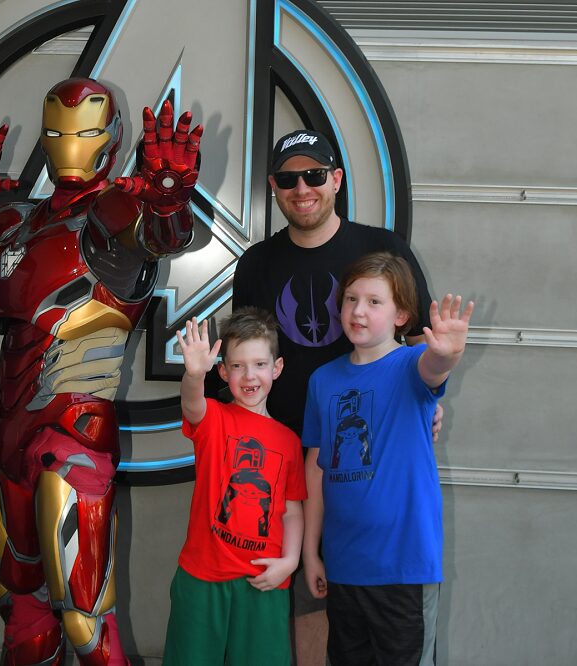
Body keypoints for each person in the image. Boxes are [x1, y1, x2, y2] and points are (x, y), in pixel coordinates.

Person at [0, 78, 202, 665]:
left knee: (84, 618)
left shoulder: (113, 212)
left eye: (81, 132)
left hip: (73, 432)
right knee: (14, 599)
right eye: (55, 132)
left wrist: (170, 197)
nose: (67, 144)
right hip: (8, 436)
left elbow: (160, 237)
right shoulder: (16, 224)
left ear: (110, 137)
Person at [231, 128, 436, 663]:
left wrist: (426, 407)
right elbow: (240, 360)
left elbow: (424, 347)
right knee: (298, 596)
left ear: (336, 180)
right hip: (280, 463)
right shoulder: (255, 263)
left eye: (315, 176)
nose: (303, 188)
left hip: (361, 469)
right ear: (274, 187)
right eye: (289, 179)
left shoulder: (382, 248)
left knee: (376, 615)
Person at [301, 252, 474, 664]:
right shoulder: (323, 380)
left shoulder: (410, 365)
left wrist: (448, 354)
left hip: (403, 569)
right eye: (350, 299)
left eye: (374, 302)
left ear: (401, 315)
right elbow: (316, 469)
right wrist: (311, 551)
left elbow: (435, 368)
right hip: (344, 567)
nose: (358, 310)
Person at [163, 309, 306, 665]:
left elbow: (292, 510)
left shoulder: (288, 441)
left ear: (277, 367)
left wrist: (289, 561)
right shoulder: (214, 418)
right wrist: (194, 374)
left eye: (259, 364)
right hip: (203, 577)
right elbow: (191, 404)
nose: (249, 375)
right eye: (238, 366)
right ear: (223, 372)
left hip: (264, 579)